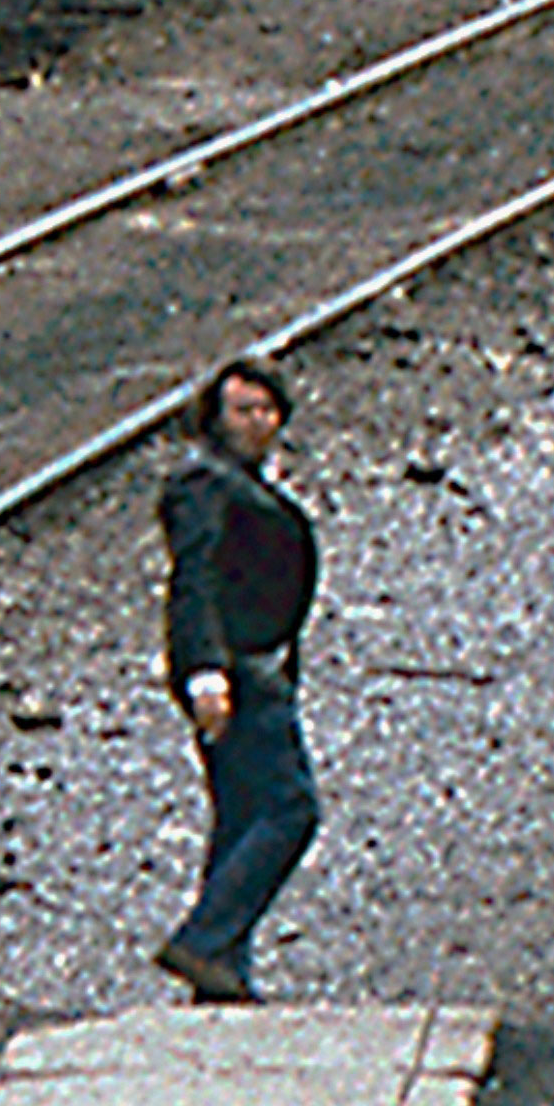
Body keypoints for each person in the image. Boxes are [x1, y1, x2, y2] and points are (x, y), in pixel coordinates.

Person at [151, 353, 322, 1006]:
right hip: (236, 672)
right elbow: (193, 580)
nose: (256, 422)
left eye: (265, 410)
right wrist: (204, 671)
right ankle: (203, 939)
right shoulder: (204, 486)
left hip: (251, 667)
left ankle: (223, 973)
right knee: (290, 806)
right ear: (215, 420)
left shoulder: (240, 481)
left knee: (242, 815)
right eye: (241, 411)